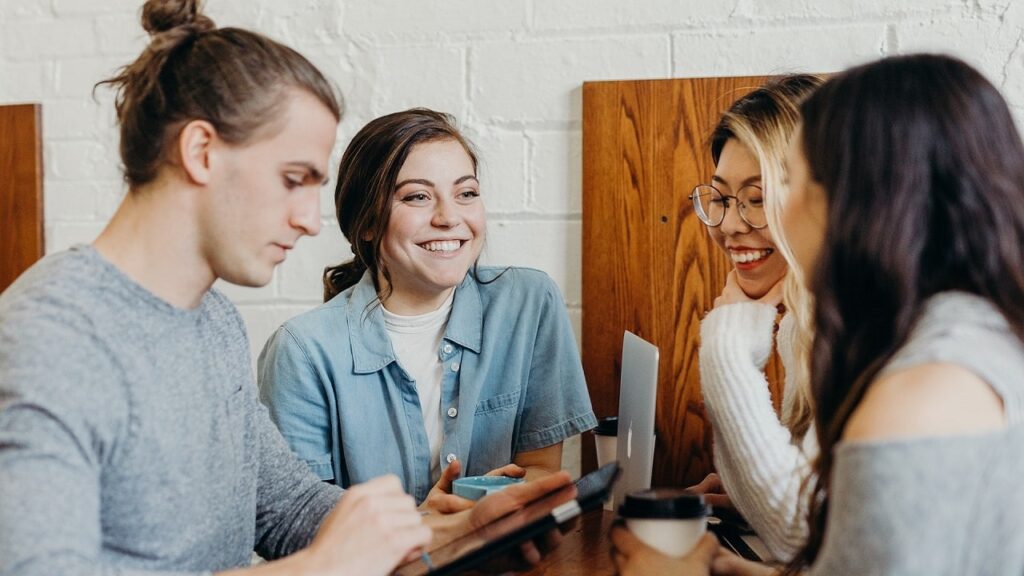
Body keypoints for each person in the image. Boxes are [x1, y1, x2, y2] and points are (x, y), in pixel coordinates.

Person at [0, 2, 571, 575]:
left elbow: (287, 509)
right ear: (201, 152)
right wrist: (322, 568)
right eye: (293, 179)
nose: (309, 220)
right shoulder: (49, 339)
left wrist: (448, 534)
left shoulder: (212, 320)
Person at [614, 53, 1024, 575]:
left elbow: (810, 531)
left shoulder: (919, 392)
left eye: (792, 182)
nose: (770, 215)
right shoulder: (967, 336)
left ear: (862, 199)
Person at [258, 108, 598, 509]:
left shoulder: (528, 303)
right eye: (417, 196)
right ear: (366, 223)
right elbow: (298, 519)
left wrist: (491, 506)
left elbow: (541, 469)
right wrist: (427, 527)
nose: (449, 217)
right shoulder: (301, 351)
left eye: (466, 193)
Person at [685, 74, 821, 561]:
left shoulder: (866, 326)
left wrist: (725, 347)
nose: (729, 225)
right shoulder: (802, 322)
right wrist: (748, 495)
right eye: (720, 198)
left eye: (758, 199)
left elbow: (799, 535)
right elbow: (815, 515)